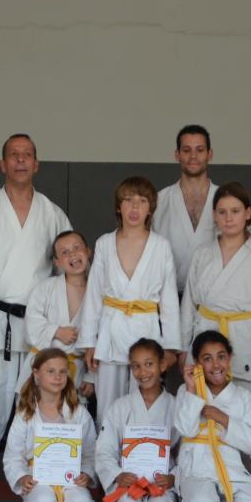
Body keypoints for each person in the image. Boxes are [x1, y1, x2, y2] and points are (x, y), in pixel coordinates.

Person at [0, 134, 70, 485]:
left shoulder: (53, 214)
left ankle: (50, 478)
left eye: (27, 155)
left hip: (39, 324)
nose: (21, 160)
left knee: (44, 406)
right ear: (3, 164)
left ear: (36, 164)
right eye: (14, 155)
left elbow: (67, 272)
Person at [80, 176, 180, 426]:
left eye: (142, 201)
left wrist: (170, 347)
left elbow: (169, 300)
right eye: (128, 200)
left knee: (145, 400)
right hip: (111, 330)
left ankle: (144, 449)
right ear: (118, 206)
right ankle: (107, 449)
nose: (134, 208)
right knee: (108, 403)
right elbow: (93, 296)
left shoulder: (161, 246)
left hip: (146, 329)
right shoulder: (104, 243)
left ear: (150, 209)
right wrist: (89, 342)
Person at [179, 182, 251, 397]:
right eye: (222, 212)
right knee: (198, 400)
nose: (228, 218)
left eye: (235, 211)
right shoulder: (202, 254)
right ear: (214, 216)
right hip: (205, 330)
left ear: (247, 213)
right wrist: (182, 347)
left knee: (242, 400)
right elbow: (188, 305)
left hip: (242, 334)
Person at [174, 331, 251, 502]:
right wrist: (192, 390)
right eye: (207, 359)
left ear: (230, 358)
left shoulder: (243, 396)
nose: (216, 365)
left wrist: (224, 419)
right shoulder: (185, 390)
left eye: (221, 357)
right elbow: (185, 429)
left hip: (230, 468)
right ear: (197, 363)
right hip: (196, 468)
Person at [3, 348, 97, 502]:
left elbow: (90, 451)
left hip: (70, 477)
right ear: (36, 374)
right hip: (36, 476)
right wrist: (22, 477)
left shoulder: (78, 413)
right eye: (51, 371)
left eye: (63, 372)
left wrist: (86, 474)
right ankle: (46, 501)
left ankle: (61, 500)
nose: (57, 377)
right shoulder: (25, 413)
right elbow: (13, 455)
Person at [96, 339, 179, 502]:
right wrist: (118, 474)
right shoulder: (120, 407)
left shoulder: (176, 406)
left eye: (149, 364)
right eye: (136, 366)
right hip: (129, 481)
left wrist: (173, 477)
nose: (142, 372)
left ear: (162, 365)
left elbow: (186, 452)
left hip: (161, 482)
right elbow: (104, 449)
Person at [23, 230, 92, 396]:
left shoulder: (99, 292)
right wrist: (56, 331)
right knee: (36, 409)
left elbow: (102, 337)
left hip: (77, 369)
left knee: (71, 409)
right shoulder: (46, 288)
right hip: (43, 367)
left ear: (88, 251)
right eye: (65, 252)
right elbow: (31, 323)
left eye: (77, 247)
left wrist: (92, 376)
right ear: (57, 262)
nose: (72, 254)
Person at [152, 124, 217, 294]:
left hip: (214, 297)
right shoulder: (159, 201)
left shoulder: (226, 201)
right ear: (177, 155)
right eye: (186, 150)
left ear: (209, 154)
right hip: (168, 294)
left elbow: (245, 249)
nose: (193, 156)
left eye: (200, 150)